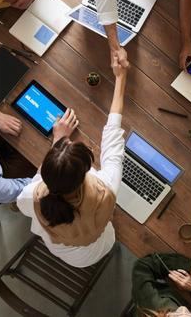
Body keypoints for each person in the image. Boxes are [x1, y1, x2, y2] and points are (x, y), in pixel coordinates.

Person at [17, 56, 128, 267]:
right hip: (100, 245)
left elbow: (28, 200)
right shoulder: (105, 188)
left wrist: (57, 140)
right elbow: (113, 137)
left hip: (70, 256)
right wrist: (121, 77)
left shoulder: (32, 196)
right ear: (85, 172)